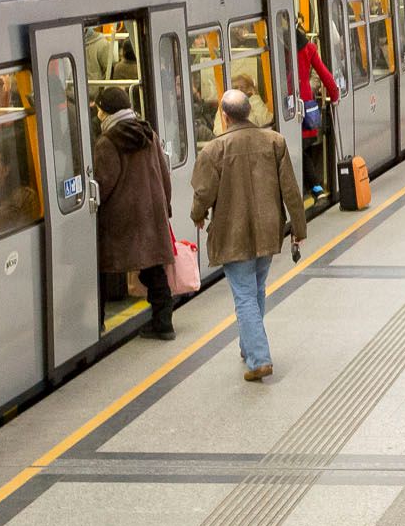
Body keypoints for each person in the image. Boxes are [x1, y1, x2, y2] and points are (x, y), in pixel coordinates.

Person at [190, 88, 307, 382]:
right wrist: (298, 231)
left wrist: (197, 216)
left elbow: (203, 194)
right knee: (256, 289)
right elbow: (291, 191)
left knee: (244, 295)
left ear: (224, 116)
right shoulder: (274, 141)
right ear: (249, 112)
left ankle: (259, 359)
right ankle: (248, 344)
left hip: (232, 233)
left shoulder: (214, 150)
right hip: (269, 231)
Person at [92, 86, 177, 341]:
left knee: (103, 269)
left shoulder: (107, 142)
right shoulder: (147, 132)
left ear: (105, 111)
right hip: (151, 209)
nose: (96, 115)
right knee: (153, 268)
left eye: (98, 109)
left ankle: (97, 323)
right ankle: (164, 322)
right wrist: (166, 204)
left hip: (123, 215)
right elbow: (163, 172)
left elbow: (104, 183)